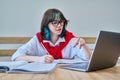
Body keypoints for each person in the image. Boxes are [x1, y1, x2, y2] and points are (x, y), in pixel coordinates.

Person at [11, 8, 92, 63]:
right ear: (46, 25)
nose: (59, 25)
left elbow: (89, 59)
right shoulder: (38, 39)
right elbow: (16, 57)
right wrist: (39, 59)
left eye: (61, 22)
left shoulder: (70, 39)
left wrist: (84, 45)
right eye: (55, 23)